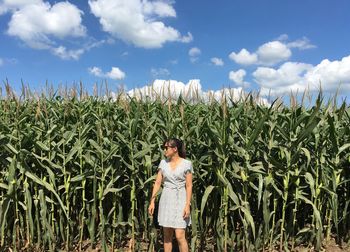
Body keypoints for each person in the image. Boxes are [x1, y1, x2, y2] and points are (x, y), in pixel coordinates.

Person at [148, 138, 193, 252]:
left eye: (166, 148)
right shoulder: (163, 163)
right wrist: (152, 201)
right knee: (167, 236)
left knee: (179, 235)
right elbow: (158, 183)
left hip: (180, 199)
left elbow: (189, 186)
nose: (164, 150)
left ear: (175, 149)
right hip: (166, 198)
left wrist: (187, 204)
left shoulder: (186, 164)